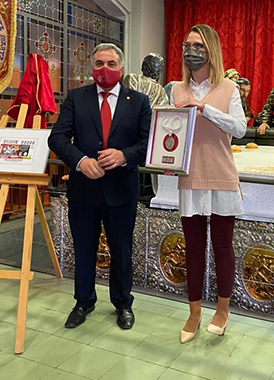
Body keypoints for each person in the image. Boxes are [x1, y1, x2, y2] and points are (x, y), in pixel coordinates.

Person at [48, 43, 151, 330]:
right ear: (91, 68)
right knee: (83, 248)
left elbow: (148, 143)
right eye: (98, 64)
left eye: (110, 64)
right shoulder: (76, 98)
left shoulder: (139, 102)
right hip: (84, 190)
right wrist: (80, 161)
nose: (104, 69)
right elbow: (56, 138)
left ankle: (122, 303)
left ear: (121, 68)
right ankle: (83, 301)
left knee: (121, 249)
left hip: (121, 190)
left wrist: (124, 155)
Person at [170, 24, 246, 344]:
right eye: (187, 45)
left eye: (198, 45)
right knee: (193, 249)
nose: (191, 50)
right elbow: (167, 131)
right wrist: (166, 159)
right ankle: (195, 312)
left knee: (223, 247)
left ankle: (223, 310)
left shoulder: (229, 88)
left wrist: (205, 110)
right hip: (189, 178)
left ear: (211, 50)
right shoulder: (174, 88)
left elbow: (240, 128)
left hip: (221, 176)